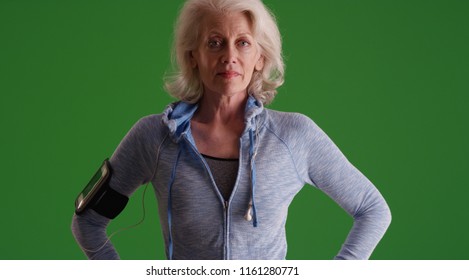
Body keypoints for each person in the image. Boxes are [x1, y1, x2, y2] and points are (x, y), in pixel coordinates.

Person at [72, 0, 391, 260]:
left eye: (243, 43)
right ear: (193, 55)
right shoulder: (153, 137)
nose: (229, 57)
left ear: (260, 57)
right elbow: (87, 223)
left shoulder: (295, 135)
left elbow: (372, 210)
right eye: (214, 43)